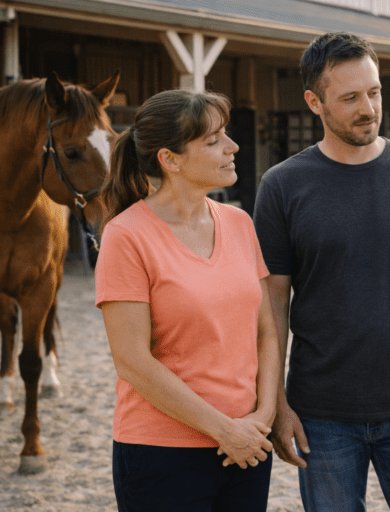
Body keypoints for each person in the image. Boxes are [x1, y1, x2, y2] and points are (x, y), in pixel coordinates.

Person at [252, 32, 390, 511]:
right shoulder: (282, 186)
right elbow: (272, 302)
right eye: (350, 97)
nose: (368, 108)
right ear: (315, 102)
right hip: (321, 414)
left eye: (374, 92)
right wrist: (276, 402)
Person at [95, 89, 280, 512]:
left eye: (225, 135)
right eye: (213, 141)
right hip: (162, 451)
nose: (232, 147)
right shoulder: (126, 236)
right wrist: (223, 430)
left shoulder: (239, 223)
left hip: (247, 445)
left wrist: (263, 417)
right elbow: (132, 361)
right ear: (170, 159)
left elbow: (267, 331)